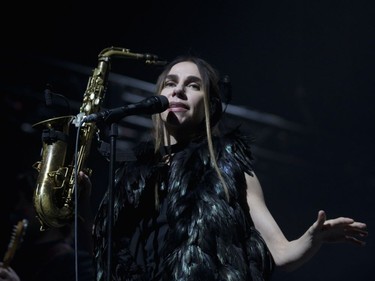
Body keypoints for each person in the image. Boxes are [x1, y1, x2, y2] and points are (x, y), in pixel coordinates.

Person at [79, 55, 367, 281]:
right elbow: (106, 257)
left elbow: (281, 253)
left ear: (211, 104)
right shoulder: (131, 175)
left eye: (193, 85)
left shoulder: (228, 167)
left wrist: (311, 239)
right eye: (170, 83)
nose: (178, 90)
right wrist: (83, 207)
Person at [0, 170, 94, 281]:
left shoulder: (75, 263)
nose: (18, 208)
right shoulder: (23, 257)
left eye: (27, 200)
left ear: (49, 207)